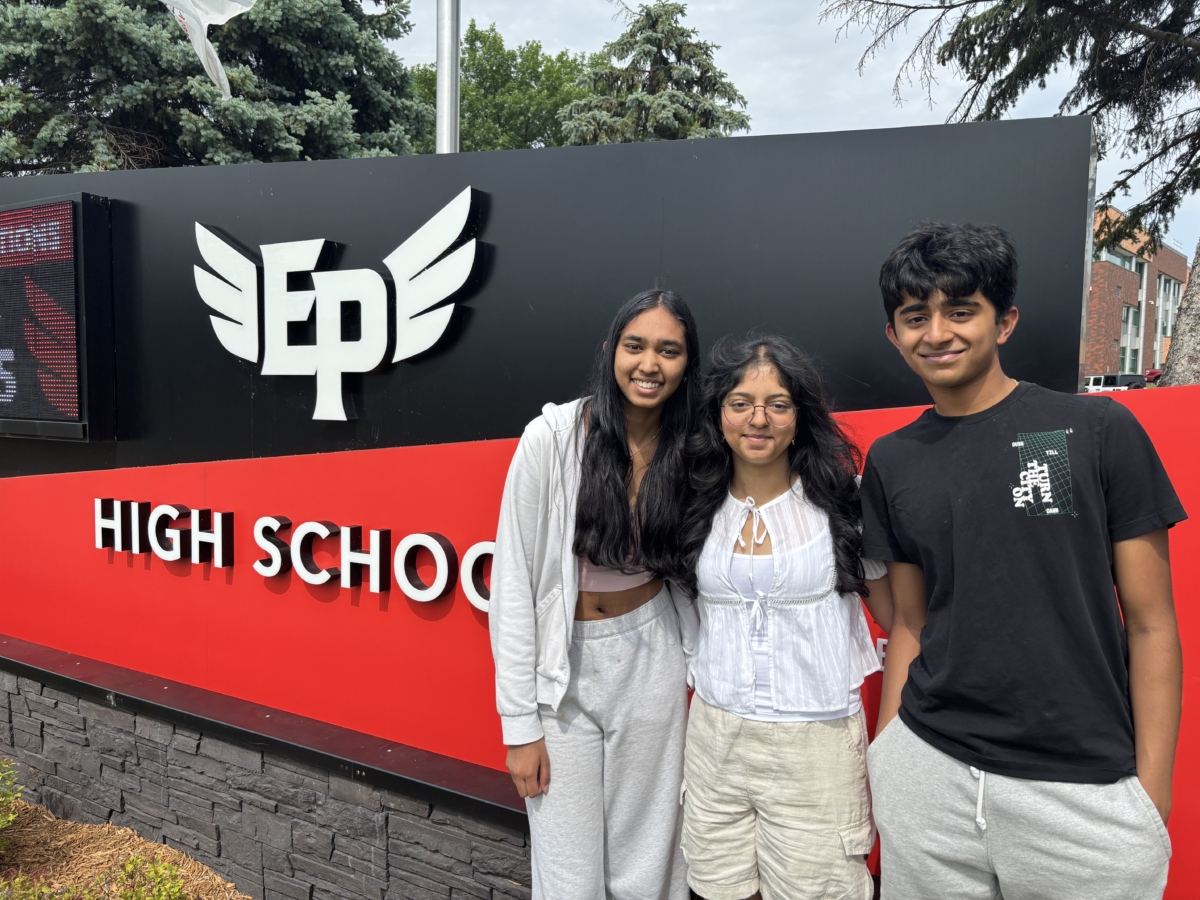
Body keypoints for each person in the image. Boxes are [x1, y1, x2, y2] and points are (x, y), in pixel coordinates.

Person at [861, 222, 1186, 900]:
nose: (938, 332)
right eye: (915, 316)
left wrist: (1149, 799)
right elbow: (912, 626)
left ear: (1004, 321)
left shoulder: (1091, 430)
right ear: (894, 333)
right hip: (930, 775)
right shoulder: (892, 460)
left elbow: (1152, 624)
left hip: (1083, 793)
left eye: (961, 310)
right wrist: (887, 759)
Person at [489, 289, 701, 900]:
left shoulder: (693, 448)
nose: (649, 364)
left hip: (653, 655)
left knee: (648, 862)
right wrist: (518, 725)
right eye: (636, 346)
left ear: (687, 363)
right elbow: (514, 585)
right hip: (564, 668)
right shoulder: (553, 438)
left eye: (669, 350)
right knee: (567, 871)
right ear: (611, 350)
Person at [678, 335, 893, 900]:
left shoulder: (842, 503)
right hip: (715, 738)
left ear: (800, 417)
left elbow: (898, 616)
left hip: (815, 741)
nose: (759, 419)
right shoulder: (694, 505)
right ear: (718, 414)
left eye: (778, 404)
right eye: (741, 402)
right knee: (716, 888)